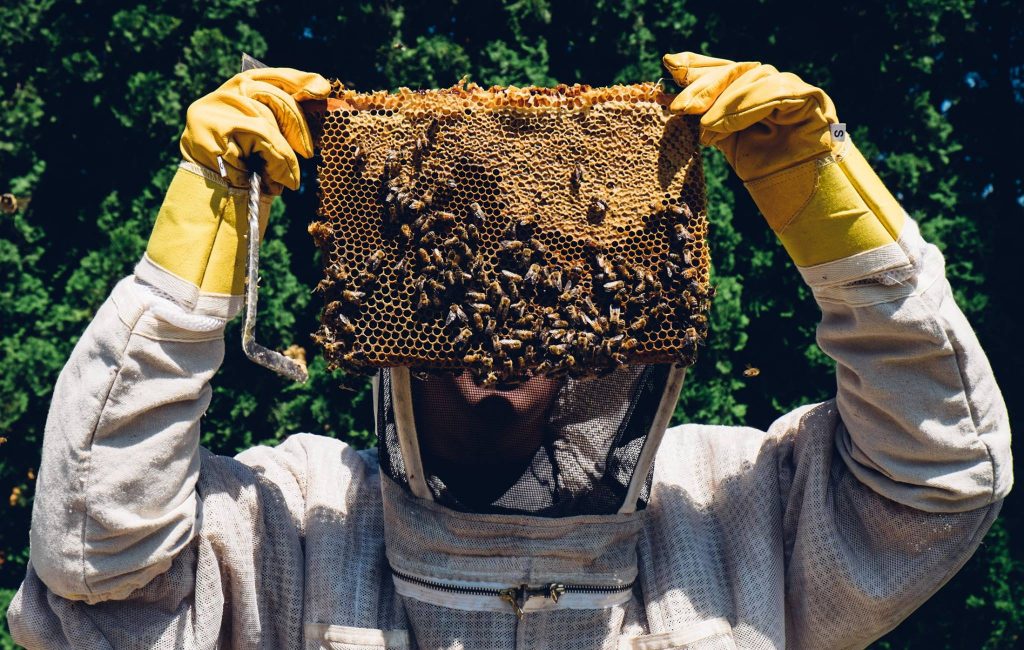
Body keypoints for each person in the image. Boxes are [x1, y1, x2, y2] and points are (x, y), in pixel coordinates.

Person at [6, 52, 1012, 650]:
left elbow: (939, 479)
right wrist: (187, 274)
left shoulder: (728, 505)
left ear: (607, 325)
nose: (503, 314)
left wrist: (830, 210)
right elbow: (96, 570)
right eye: (458, 278)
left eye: (555, 278)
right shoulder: (296, 522)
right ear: (396, 304)